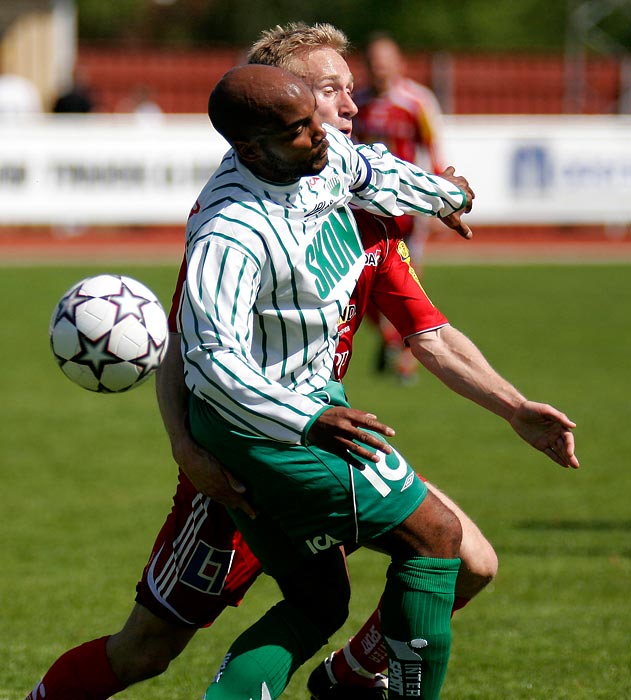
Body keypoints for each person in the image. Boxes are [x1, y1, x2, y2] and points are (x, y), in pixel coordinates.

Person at [24, 23, 578, 700]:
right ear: (266, 127)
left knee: (455, 562)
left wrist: (445, 195)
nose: (345, 110)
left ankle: (348, 675)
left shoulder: (342, 189)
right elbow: (194, 347)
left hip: (316, 424)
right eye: (328, 92)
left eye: (348, 89)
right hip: (242, 456)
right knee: (147, 648)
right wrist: (185, 446)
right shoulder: (229, 228)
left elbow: (424, 322)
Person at [179, 63, 577, 700]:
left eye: (321, 112)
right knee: (439, 542)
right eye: (302, 127)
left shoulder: (316, 153)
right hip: (275, 429)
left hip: (292, 418)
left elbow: (374, 170)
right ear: (251, 148)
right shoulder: (231, 231)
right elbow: (208, 359)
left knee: (317, 602)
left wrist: (445, 196)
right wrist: (307, 420)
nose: (326, 133)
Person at [354, 33, 446, 382]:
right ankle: (395, 338)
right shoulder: (356, 100)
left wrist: (437, 201)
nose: (379, 69)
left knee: (406, 279)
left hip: (404, 206)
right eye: (373, 62)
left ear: (398, 64)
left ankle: (407, 351)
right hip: (364, 206)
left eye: (384, 62)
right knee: (363, 280)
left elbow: (433, 149)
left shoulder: (416, 101)